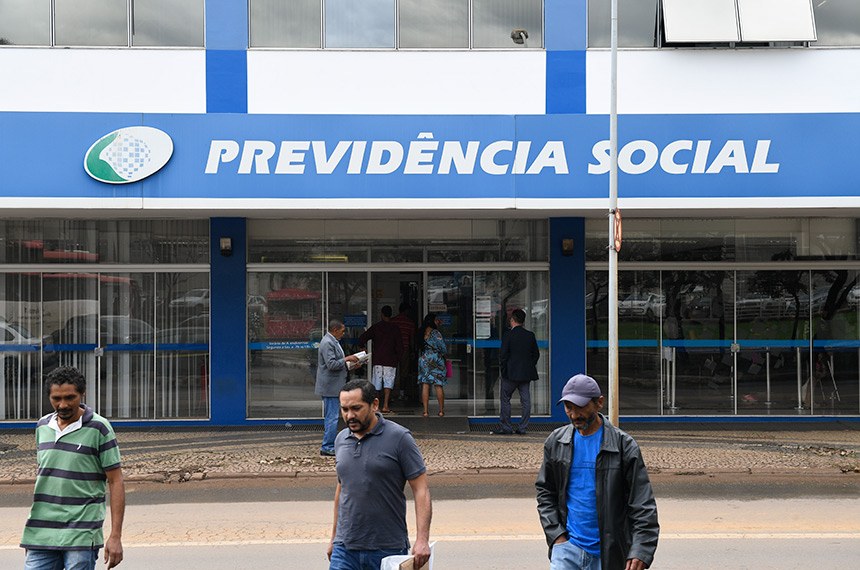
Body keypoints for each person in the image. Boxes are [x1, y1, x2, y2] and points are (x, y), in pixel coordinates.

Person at [536, 374, 659, 570]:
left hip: (610, 554)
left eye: (580, 407)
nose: (574, 415)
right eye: (569, 407)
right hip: (567, 551)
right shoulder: (556, 442)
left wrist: (641, 549)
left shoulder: (624, 446)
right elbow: (545, 492)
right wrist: (557, 536)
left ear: (599, 403)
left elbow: (642, 503)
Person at [21, 366, 126, 570]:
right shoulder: (42, 426)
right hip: (41, 533)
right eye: (56, 398)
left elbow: (116, 481)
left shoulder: (99, 428)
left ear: (82, 394)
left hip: (81, 533)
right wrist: (34, 536)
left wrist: (115, 536)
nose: (63, 404)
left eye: (70, 397)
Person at [327, 379, 432, 570]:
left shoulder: (400, 438)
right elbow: (342, 489)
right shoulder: (341, 439)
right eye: (344, 409)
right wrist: (334, 538)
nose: (349, 415)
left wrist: (422, 539)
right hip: (345, 549)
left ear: (374, 404)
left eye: (356, 408)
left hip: (387, 549)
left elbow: (421, 489)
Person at [315, 320, 362, 457]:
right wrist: (347, 359)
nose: (343, 333)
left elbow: (336, 364)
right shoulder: (327, 343)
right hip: (330, 387)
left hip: (334, 385)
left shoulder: (333, 341)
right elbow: (331, 364)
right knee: (332, 417)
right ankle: (327, 446)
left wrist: (351, 365)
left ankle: (330, 445)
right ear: (335, 330)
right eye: (342, 331)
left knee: (333, 416)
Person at [495, 308, 540, 434]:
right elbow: (536, 354)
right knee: (526, 401)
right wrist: (529, 366)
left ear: (512, 320)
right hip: (525, 374)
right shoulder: (530, 335)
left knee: (505, 399)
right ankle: (522, 428)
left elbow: (503, 355)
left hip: (510, 374)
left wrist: (504, 370)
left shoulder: (508, 335)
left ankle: (506, 427)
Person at [358, 305, 403, 414]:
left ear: (382, 314)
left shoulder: (376, 327)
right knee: (388, 383)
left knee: (377, 383)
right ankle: (386, 405)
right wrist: (398, 358)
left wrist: (362, 348)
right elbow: (400, 347)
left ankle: (376, 406)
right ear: (391, 314)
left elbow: (362, 338)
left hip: (378, 359)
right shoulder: (395, 328)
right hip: (391, 360)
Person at [417, 313, 447, 417]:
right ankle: (441, 411)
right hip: (436, 359)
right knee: (438, 385)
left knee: (425, 385)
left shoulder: (421, 332)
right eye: (436, 320)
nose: (438, 321)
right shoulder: (436, 333)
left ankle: (425, 411)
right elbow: (443, 348)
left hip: (424, 359)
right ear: (432, 321)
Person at [391, 303, 416, 390]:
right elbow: (411, 338)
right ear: (406, 311)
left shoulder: (392, 321)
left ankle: (392, 390)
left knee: (392, 370)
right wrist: (412, 350)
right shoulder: (410, 322)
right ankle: (402, 391)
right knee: (404, 371)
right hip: (405, 348)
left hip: (393, 349)